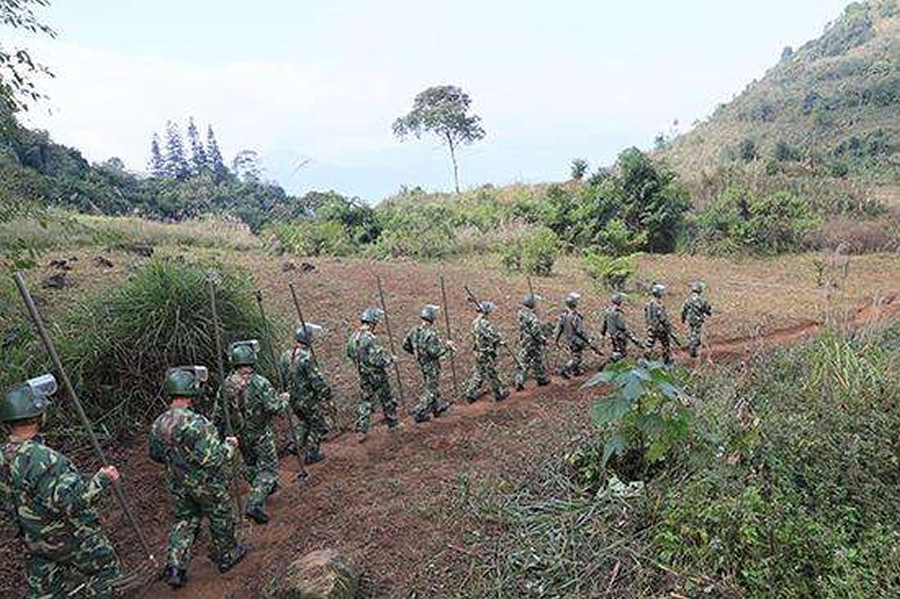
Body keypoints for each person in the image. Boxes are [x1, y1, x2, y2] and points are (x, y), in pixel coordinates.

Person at [0, 374, 122, 598]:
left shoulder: (3, 456)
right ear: (39, 416)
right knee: (106, 569)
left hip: (32, 540)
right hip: (66, 537)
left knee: (45, 593)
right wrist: (102, 480)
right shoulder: (46, 459)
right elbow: (72, 503)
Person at [150, 366, 247, 589]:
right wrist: (230, 447)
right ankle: (227, 555)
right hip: (205, 483)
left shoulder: (159, 423)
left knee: (184, 520)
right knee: (220, 514)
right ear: (191, 393)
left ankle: (176, 567)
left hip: (177, 482)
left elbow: (155, 454)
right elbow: (214, 459)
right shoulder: (199, 424)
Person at [220, 341, 284, 525]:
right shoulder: (259, 383)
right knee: (269, 470)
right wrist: (284, 400)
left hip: (240, 437)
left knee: (250, 464)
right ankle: (255, 502)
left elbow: (219, 413)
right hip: (261, 435)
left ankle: (263, 488)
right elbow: (275, 407)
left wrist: (221, 434)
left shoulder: (226, 385)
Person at [280, 323, 332, 464]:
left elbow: (282, 377)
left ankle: (295, 445)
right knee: (318, 425)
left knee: (304, 421)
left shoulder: (285, 355)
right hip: (307, 399)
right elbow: (317, 381)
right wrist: (327, 395)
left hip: (292, 398)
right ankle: (311, 454)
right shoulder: (306, 358)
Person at [346, 308, 398, 441]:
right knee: (386, 398)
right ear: (373, 321)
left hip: (363, 374)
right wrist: (390, 359)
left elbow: (350, 354)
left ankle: (362, 429)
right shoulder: (370, 338)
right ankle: (393, 424)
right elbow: (377, 360)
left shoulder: (353, 337)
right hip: (377, 375)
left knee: (366, 401)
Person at [402, 304, 455, 423]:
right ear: (432, 318)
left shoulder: (414, 330)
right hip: (431, 365)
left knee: (431, 384)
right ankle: (420, 412)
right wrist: (447, 346)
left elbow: (405, 345)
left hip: (422, 363)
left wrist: (417, 353)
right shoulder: (431, 333)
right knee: (431, 388)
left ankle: (437, 407)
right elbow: (435, 352)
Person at [463, 300, 509, 402]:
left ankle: (470, 393)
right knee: (491, 373)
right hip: (486, 352)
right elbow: (494, 337)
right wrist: (502, 342)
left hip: (478, 352)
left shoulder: (474, 322)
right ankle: (498, 394)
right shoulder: (485, 323)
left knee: (479, 372)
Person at [514, 293, 551, 390]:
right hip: (533, 343)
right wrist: (543, 340)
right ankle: (542, 379)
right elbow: (536, 332)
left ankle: (519, 380)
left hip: (524, 341)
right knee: (537, 361)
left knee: (523, 361)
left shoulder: (521, 313)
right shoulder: (532, 317)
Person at [553, 292, 590, 378]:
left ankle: (576, 371)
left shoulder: (563, 316)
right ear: (575, 304)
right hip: (576, 340)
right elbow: (579, 331)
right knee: (577, 357)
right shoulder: (576, 317)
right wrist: (587, 340)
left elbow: (559, 330)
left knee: (574, 353)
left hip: (568, 339)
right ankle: (566, 368)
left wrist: (556, 340)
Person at [600, 293, 643, 364]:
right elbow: (622, 327)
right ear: (619, 302)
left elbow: (604, 325)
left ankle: (611, 365)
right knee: (622, 354)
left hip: (612, 335)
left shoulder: (607, 311)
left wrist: (603, 335)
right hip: (619, 336)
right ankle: (607, 364)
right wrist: (632, 337)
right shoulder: (618, 313)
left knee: (616, 351)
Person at [644, 283, 674, 364]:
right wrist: (669, 328)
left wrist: (648, 325)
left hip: (650, 327)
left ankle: (645, 361)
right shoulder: (658, 305)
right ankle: (666, 362)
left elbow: (647, 316)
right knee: (666, 345)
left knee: (649, 345)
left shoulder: (648, 304)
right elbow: (662, 319)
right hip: (659, 329)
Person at [681, 281, 713, 358]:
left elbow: (683, 309)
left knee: (692, 331)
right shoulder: (702, 300)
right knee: (697, 334)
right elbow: (707, 310)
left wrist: (683, 318)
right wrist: (709, 313)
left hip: (690, 319)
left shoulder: (688, 299)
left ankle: (691, 344)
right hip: (698, 320)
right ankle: (693, 349)